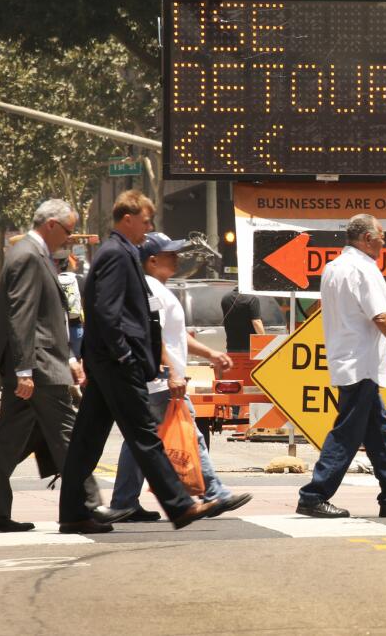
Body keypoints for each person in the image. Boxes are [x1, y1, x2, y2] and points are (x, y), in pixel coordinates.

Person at [59, 190, 225, 534]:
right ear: (127, 219)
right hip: (118, 363)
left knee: (87, 439)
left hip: (109, 363)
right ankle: (179, 505)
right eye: (146, 221)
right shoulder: (117, 254)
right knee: (145, 435)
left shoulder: (119, 252)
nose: (149, 229)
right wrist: (123, 354)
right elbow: (106, 311)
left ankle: (74, 512)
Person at [0, 199, 107, 533]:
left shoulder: (33, 254)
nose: (69, 238)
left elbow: (48, 319)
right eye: (68, 231)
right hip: (39, 367)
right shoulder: (28, 256)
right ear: (50, 224)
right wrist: (24, 370)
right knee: (68, 435)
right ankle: (86, 507)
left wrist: (70, 358)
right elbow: (22, 316)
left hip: (42, 363)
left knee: (7, 442)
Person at [110, 233, 252, 522]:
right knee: (190, 434)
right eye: (169, 253)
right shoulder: (149, 290)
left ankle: (123, 502)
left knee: (140, 439)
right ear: (152, 261)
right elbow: (151, 336)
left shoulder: (159, 289)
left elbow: (178, 337)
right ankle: (214, 492)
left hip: (158, 381)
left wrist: (210, 355)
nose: (176, 257)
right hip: (161, 382)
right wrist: (171, 372)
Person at [295, 214, 386, 519]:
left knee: (379, 431)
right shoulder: (364, 269)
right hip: (362, 362)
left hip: (347, 358)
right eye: (381, 237)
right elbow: (380, 316)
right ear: (367, 239)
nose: (385, 242)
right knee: (347, 432)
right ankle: (314, 495)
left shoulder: (333, 267)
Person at [221, 288, 264, 354]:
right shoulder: (252, 298)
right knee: (250, 364)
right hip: (250, 345)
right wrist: (264, 340)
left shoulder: (225, 298)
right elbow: (256, 322)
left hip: (232, 345)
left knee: (235, 364)